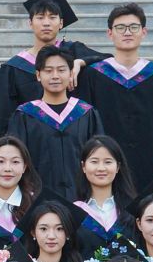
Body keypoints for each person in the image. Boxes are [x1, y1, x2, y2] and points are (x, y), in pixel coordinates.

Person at [77, 3, 153, 194]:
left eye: (133, 27)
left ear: (144, 32)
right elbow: (87, 124)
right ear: (110, 33)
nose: (127, 32)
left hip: (149, 160)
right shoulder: (93, 75)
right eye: (120, 27)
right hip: (106, 161)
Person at [0, 0, 105, 129]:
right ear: (30, 23)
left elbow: (108, 61)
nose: (46, 23)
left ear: (61, 23)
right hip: (31, 134)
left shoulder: (74, 51)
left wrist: (80, 62)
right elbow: (1, 115)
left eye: (52, 17)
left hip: (75, 132)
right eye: (40, 17)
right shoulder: (14, 68)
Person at [9, 46, 103, 199]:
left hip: (81, 198)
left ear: (71, 74)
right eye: (48, 71)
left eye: (61, 70)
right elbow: (16, 158)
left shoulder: (86, 113)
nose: (55, 76)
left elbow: (99, 155)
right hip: (37, 199)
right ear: (38, 75)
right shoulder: (25, 115)